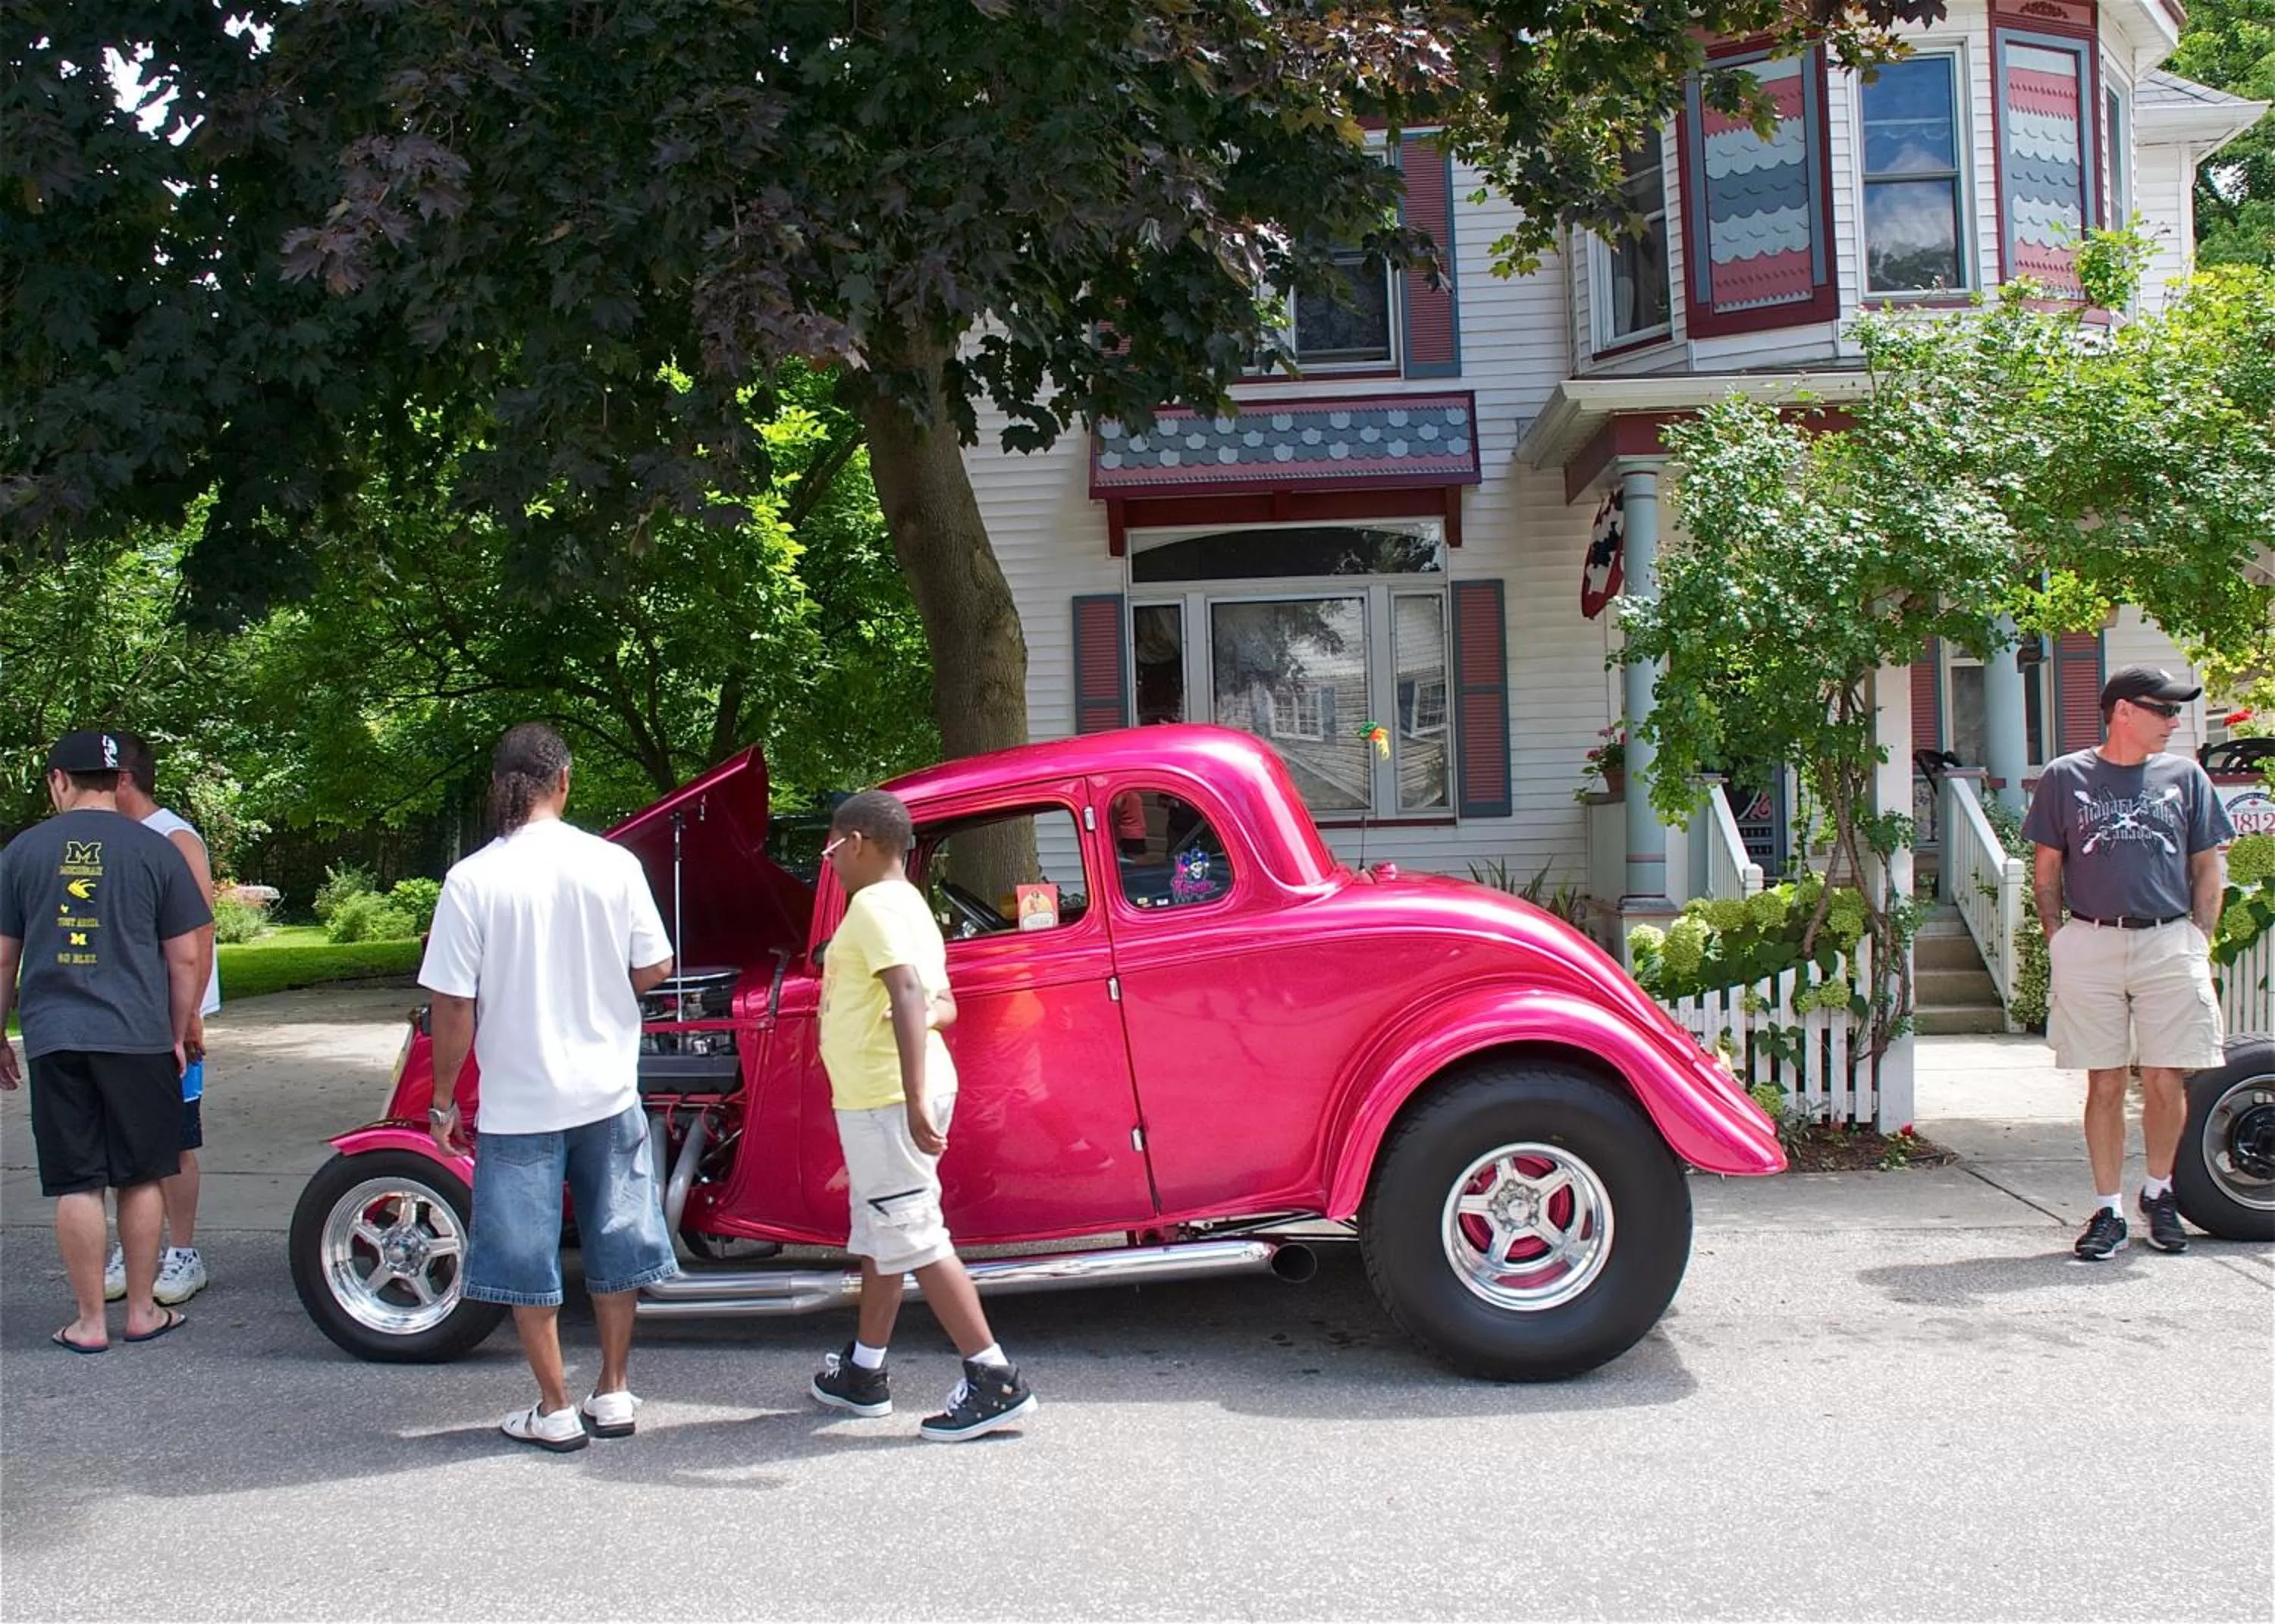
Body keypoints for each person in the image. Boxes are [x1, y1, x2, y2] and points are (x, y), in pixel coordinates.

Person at [419, 723, 680, 1452]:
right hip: (607, 1092)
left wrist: (443, 1099)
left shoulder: (472, 880)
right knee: (616, 1241)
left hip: (519, 1103)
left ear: (502, 787)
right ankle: (617, 1391)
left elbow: (452, 1005)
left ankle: (555, 1406)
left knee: (527, 1254)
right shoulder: (614, 864)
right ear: (563, 781)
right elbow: (654, 967)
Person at [807, 789, 1038, 1441]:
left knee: (915, 1232)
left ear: (857, 842)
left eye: (831, 848)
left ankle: (995, 1379)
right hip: (891, 1093)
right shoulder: (911, 903)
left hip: (887, 1097)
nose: (830, 862)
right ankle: (864, 1372)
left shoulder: (876, 906)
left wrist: (910, 1098)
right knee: (888, 1230)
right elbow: (944, 1004)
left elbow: (909, 992)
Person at [0, 731, 210, 1351]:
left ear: (59, 780)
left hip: (56, 1037)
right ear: (117, 780)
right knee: (143, 1175)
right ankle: (142, 1311)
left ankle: (90, 1322)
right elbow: (186, 959)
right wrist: (179, 1033)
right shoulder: (155, 849)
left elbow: (4, 956)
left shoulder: (22, 852)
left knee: (77, 1181)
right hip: (139, 1036)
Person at [2022, 664, 2234, 1260]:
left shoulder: (2185, 777)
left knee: (2168, 1077)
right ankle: (2109, 1209)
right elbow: (2047, 867)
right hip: (2091, 939)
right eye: (2162, 710)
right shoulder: (2067, 777)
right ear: (2122, 711)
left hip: (2170, 939)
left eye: (2175, 711)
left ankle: (2160, 1193)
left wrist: (2201, 936)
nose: (2173, 721)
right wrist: (2055, 936)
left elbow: (2206, 867)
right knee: (2106, 1080)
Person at [102, 733, 220, 1306]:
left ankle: (182, 1251)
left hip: (171, 1015)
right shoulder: (114, 839)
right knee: (127, 1133)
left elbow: (201, 928)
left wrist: (191, 1013)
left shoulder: (174, 836)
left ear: (124, 779)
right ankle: (136, 1243)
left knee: (176, 1136)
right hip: (127, 1013)